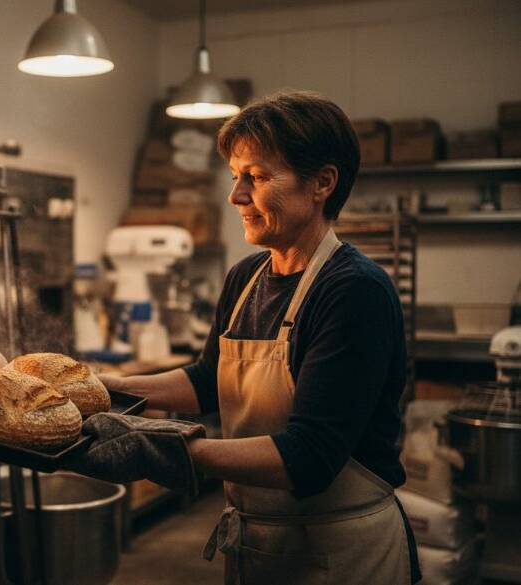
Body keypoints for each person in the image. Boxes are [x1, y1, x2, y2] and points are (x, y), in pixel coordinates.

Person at [69, 91, 421, 584]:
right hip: (260, 544)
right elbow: (207, 380)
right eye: (236, 177)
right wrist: (102, 387)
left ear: (322, 182)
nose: (236, 195)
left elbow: (310, 456)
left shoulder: (354, 291)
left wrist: (162, 449)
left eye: (256, 177)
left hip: (341, 554)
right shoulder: (246, 277)